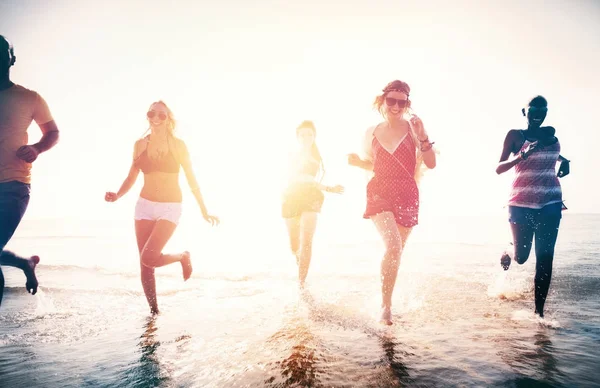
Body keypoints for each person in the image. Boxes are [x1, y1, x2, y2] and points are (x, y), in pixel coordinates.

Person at [105, 101, 219, 314]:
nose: (156, 118)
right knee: (145, 265)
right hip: (144, 206)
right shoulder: (140, 144)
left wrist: (204, 209)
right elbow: (132, 176)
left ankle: (182, 257)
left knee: (148, 257)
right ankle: (154, 313)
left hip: (170, 206)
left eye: (161, 115)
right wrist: (118, 195)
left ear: (169, 119)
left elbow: (191, 178)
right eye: (151, 113)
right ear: (147, 116)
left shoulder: (178, 145)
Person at [348, 80, 436, 325]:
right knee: (394, 246)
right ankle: (385, 309)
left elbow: (431, 163)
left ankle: (387, 298)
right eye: (392, 101)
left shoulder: (413, 129)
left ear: (407, 104)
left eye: (402, 102)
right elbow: (373, 164)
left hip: (407, 192)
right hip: (379, 190)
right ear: (383, 101)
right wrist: (357, 163)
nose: (396, 106)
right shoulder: (371, 132)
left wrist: (424, 136)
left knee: (397, 252)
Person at [496, 95, 569, 318]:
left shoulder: (550, 134)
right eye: (533, 110)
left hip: (551, 201)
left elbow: (549, 151)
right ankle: (509, 249)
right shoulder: (516, 136)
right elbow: (499, 167)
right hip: (521, 203)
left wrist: (564, 160)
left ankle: (539, 315)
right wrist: (521, 156)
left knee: (546, 257)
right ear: (524, 112)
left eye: (542, 110)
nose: (538, 113)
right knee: (521, 257)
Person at [0, 35, 60, 308]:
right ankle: (24, 263)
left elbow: (52, 132)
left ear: (11, 58)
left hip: (14, 185)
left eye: (1, 52)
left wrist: (36, 148)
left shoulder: (29, 97)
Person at [282, 120, 343, 287]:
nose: (306, 137)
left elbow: (310, 181)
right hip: (291, 197)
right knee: (294, 244)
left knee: (307, 240)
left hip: (311, 197)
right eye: (302, 134)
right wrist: (329, 188)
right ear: (297, 137)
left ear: (314, 136)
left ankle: (301, 283)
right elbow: (294, 178)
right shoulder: (291, 155)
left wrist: (329, 188)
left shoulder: (317, 158)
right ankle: (298, 257)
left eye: (309, 134)